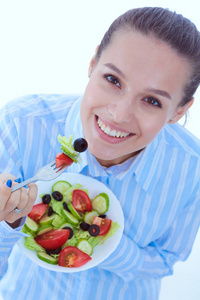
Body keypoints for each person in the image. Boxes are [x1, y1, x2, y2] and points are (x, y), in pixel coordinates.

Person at [0, 6, 200, 300]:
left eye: (152, 101)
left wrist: (112, 243)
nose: (119, 115)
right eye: (113, 80)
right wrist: (7, 224)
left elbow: (165, 261)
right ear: (93, 64)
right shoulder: (19, 125)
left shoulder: (191, 167)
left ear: (179, 111)